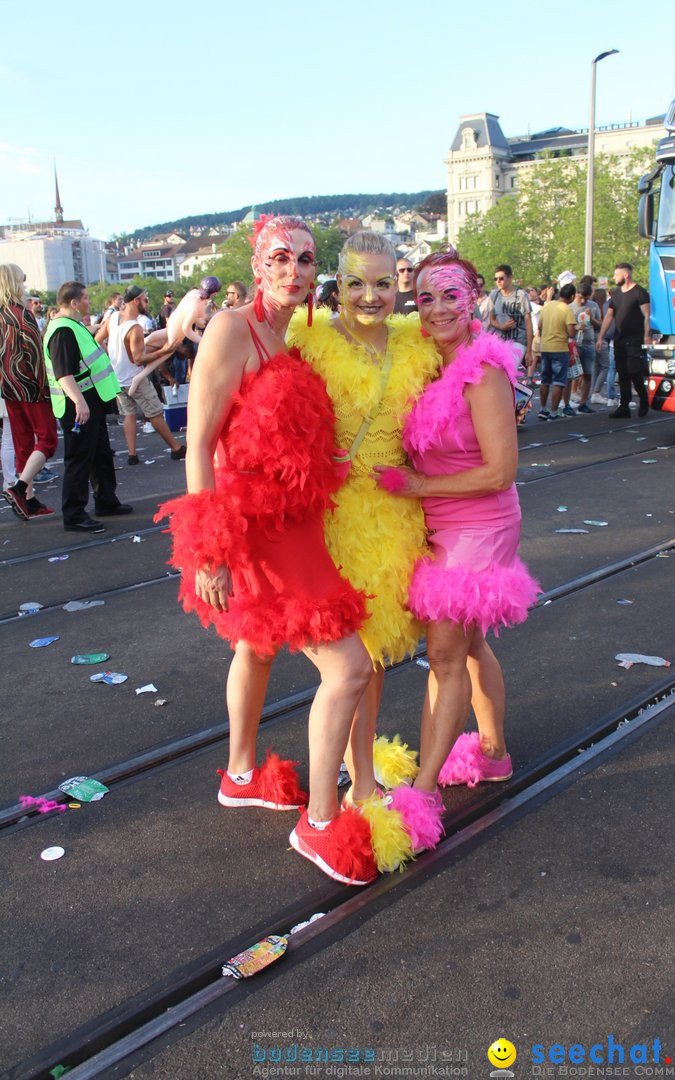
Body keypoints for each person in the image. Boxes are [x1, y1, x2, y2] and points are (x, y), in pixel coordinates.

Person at [157, 215, 386, 887]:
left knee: (254, 648)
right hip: (253, 531)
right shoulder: (231, 329)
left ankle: (241, 772)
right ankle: (318, 824)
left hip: (297, 527)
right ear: (258, 267)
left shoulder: (291, 337)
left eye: (306, 260)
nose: (295, 270)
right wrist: (209, 551)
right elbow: (200, 445)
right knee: (346, 667)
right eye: (280, 258)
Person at [374, 248, 540, 852]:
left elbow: (500, 471)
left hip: (482, 519)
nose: (438, 307)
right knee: (468, 645)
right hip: (438, 521)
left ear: (473, 299)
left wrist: (417, 485)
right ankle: (491, 753)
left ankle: (422, 792)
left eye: (451, 295)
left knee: (444, 654)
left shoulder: (484, 370)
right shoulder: (423, 361)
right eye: (425, 297)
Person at [289, 231, 440, 820]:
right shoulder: (311, 341)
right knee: (350, 660)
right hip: (336, 520)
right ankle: (355, 784)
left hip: (400, 517)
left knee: (374, 658)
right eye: (357, 283)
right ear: (339, 284)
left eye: (382, 283)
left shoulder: (415, 343)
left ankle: (363, 774)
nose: (370, 296)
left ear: (398, 283)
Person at [43, 281, 132, 532]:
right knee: (79, 458)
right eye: (85, 298)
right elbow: (64, 373)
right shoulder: (63, 330)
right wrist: (80, 402)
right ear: (73, 302)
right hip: (78, 404)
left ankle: (106, 500)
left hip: (90, 401)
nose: (88, 302)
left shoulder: (71, 326)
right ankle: (73, 514)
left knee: (100, 453)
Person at [98, 285, 186, 465]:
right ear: (136, 301)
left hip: (117, 377)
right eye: (145, 299)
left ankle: (132, 455)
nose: (148, 303)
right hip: (134, 378)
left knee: (128, 414)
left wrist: (112, 357)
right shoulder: (135, 327)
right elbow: (138, 359)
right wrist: (165, 350)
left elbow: (97, 340)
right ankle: (176, 448)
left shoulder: (113, 317)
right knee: (155, 413)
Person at [0, 264, 58, 520]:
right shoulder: (21, 314)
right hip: (30, 385)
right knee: (47, 440)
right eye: (22, 279)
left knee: (23, 443)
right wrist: (45, 387)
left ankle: (30, 500)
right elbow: (34, 354)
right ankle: (21, 489)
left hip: (8, 386)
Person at [596, 262, 651, 418]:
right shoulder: (616, 294)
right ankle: (624, 406)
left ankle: (644, 398)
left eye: (616, 274)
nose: (614, 277)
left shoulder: (639, 292)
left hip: (635, 340)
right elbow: (609, 316)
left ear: (626, 275)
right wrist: (600, 336)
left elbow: (647, 315)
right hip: (619, 339)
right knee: (623, 373)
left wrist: (647, 335)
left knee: (634, 371)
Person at [536, 283, 577, 420]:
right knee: (559, 381)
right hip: (560, 348)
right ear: (572, 296)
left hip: (545, 347)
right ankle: (553, 412)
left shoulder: (547, 306)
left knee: (545, 380)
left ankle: (542, 409)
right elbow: (571, 332)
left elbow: (540, 326)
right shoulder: (566, 309)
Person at [488, 264, 533, 370]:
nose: (498, 281)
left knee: (508, 370)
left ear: (510, 278)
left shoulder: (521, 295)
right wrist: (501, 326)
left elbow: (528, 323)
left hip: (517, 340)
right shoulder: (494, 295)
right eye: (496, 279)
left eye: (501, 278)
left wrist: (529, 351)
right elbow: (492, 319)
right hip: (499, 340)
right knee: (496, 372)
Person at [569, 282, 602, 412]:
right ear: (576, 294)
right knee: (572, 375)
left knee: (588, 373)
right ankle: (568, 401)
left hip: (588, 343)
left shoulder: (593, 306)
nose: (583, 301)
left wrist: (592, 319)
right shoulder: (570, 307)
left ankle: (583, 402)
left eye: (586, 298)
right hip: (574, 344)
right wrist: (576, 327)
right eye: (580, 298)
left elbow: (600, 324)